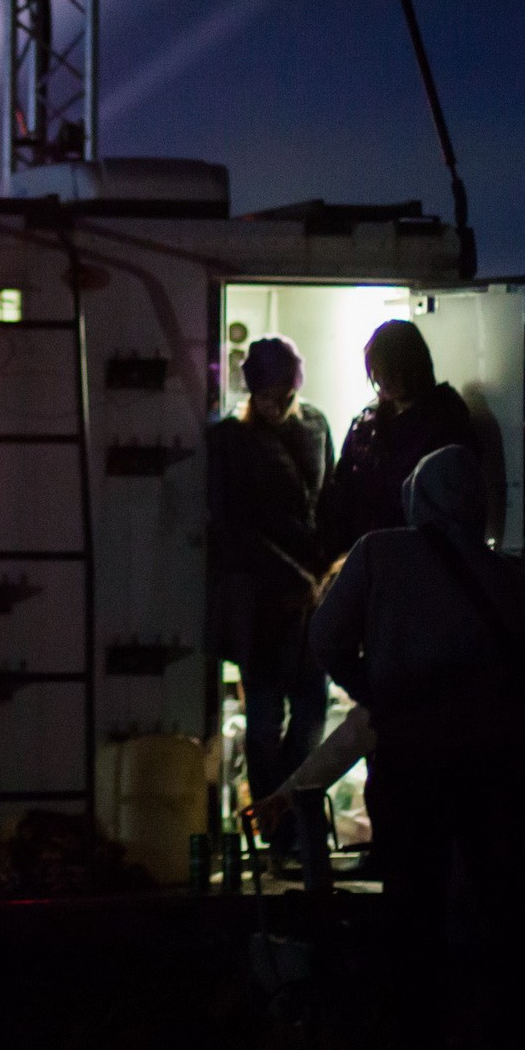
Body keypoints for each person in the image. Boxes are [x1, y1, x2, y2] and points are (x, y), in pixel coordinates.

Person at [312, 444, 525, 1050]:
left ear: (419, 493)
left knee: (410, 905)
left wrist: (377, 687)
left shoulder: (380, 553)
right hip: (491, 767)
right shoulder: (510, 578)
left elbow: (324, 636)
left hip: (411, 761)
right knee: (497, 905)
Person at [206, 335, 333, 854]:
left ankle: (295, 828)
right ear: (251, 392)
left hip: (309, 600)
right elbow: (236, 527)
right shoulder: (232, 440)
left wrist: (326, 575)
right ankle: (279, 833)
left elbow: (328, 504)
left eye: (285, 394)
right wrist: (299, 579)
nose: (278, 405)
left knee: (308, 720)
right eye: (268, 396)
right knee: (263, 728)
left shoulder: (316, 425)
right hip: (264, 603)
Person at [317, 320, 480, 564]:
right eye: (380, 373)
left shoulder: (444, 419)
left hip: (417, 559)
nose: (387, 381)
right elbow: (342, 490)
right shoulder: (367, 422)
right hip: (365, 554)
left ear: (415, 368)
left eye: (396, 371)